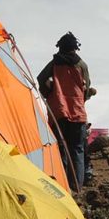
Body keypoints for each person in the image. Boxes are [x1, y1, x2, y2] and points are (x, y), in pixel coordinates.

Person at [38, 32, 96, 191]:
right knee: (77, 149)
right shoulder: (82, 65)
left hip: (58, 112)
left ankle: (63, 187)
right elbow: (86, 85)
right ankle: (77, 187)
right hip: (77, 113)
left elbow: (40, 79)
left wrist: (48, 94)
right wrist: (82, 99)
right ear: (75, 48)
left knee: (61, 149)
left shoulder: (54, 64)